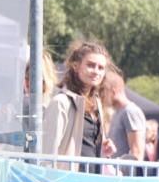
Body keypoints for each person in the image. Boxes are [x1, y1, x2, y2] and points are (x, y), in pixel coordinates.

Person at [42, 42, 116, 172]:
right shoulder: (60, 103)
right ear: (75, 66)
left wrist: (104, 147)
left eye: (101, 68)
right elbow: (48, 154)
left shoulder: (96, 103)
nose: (96, 71)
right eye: (91, 65)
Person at [102, 70, 146, 162]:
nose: (101, 96)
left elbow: (136, 152)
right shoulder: (117, 113)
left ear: (113, 90)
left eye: (103, 91)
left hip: (125, 174)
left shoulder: (131, 112)